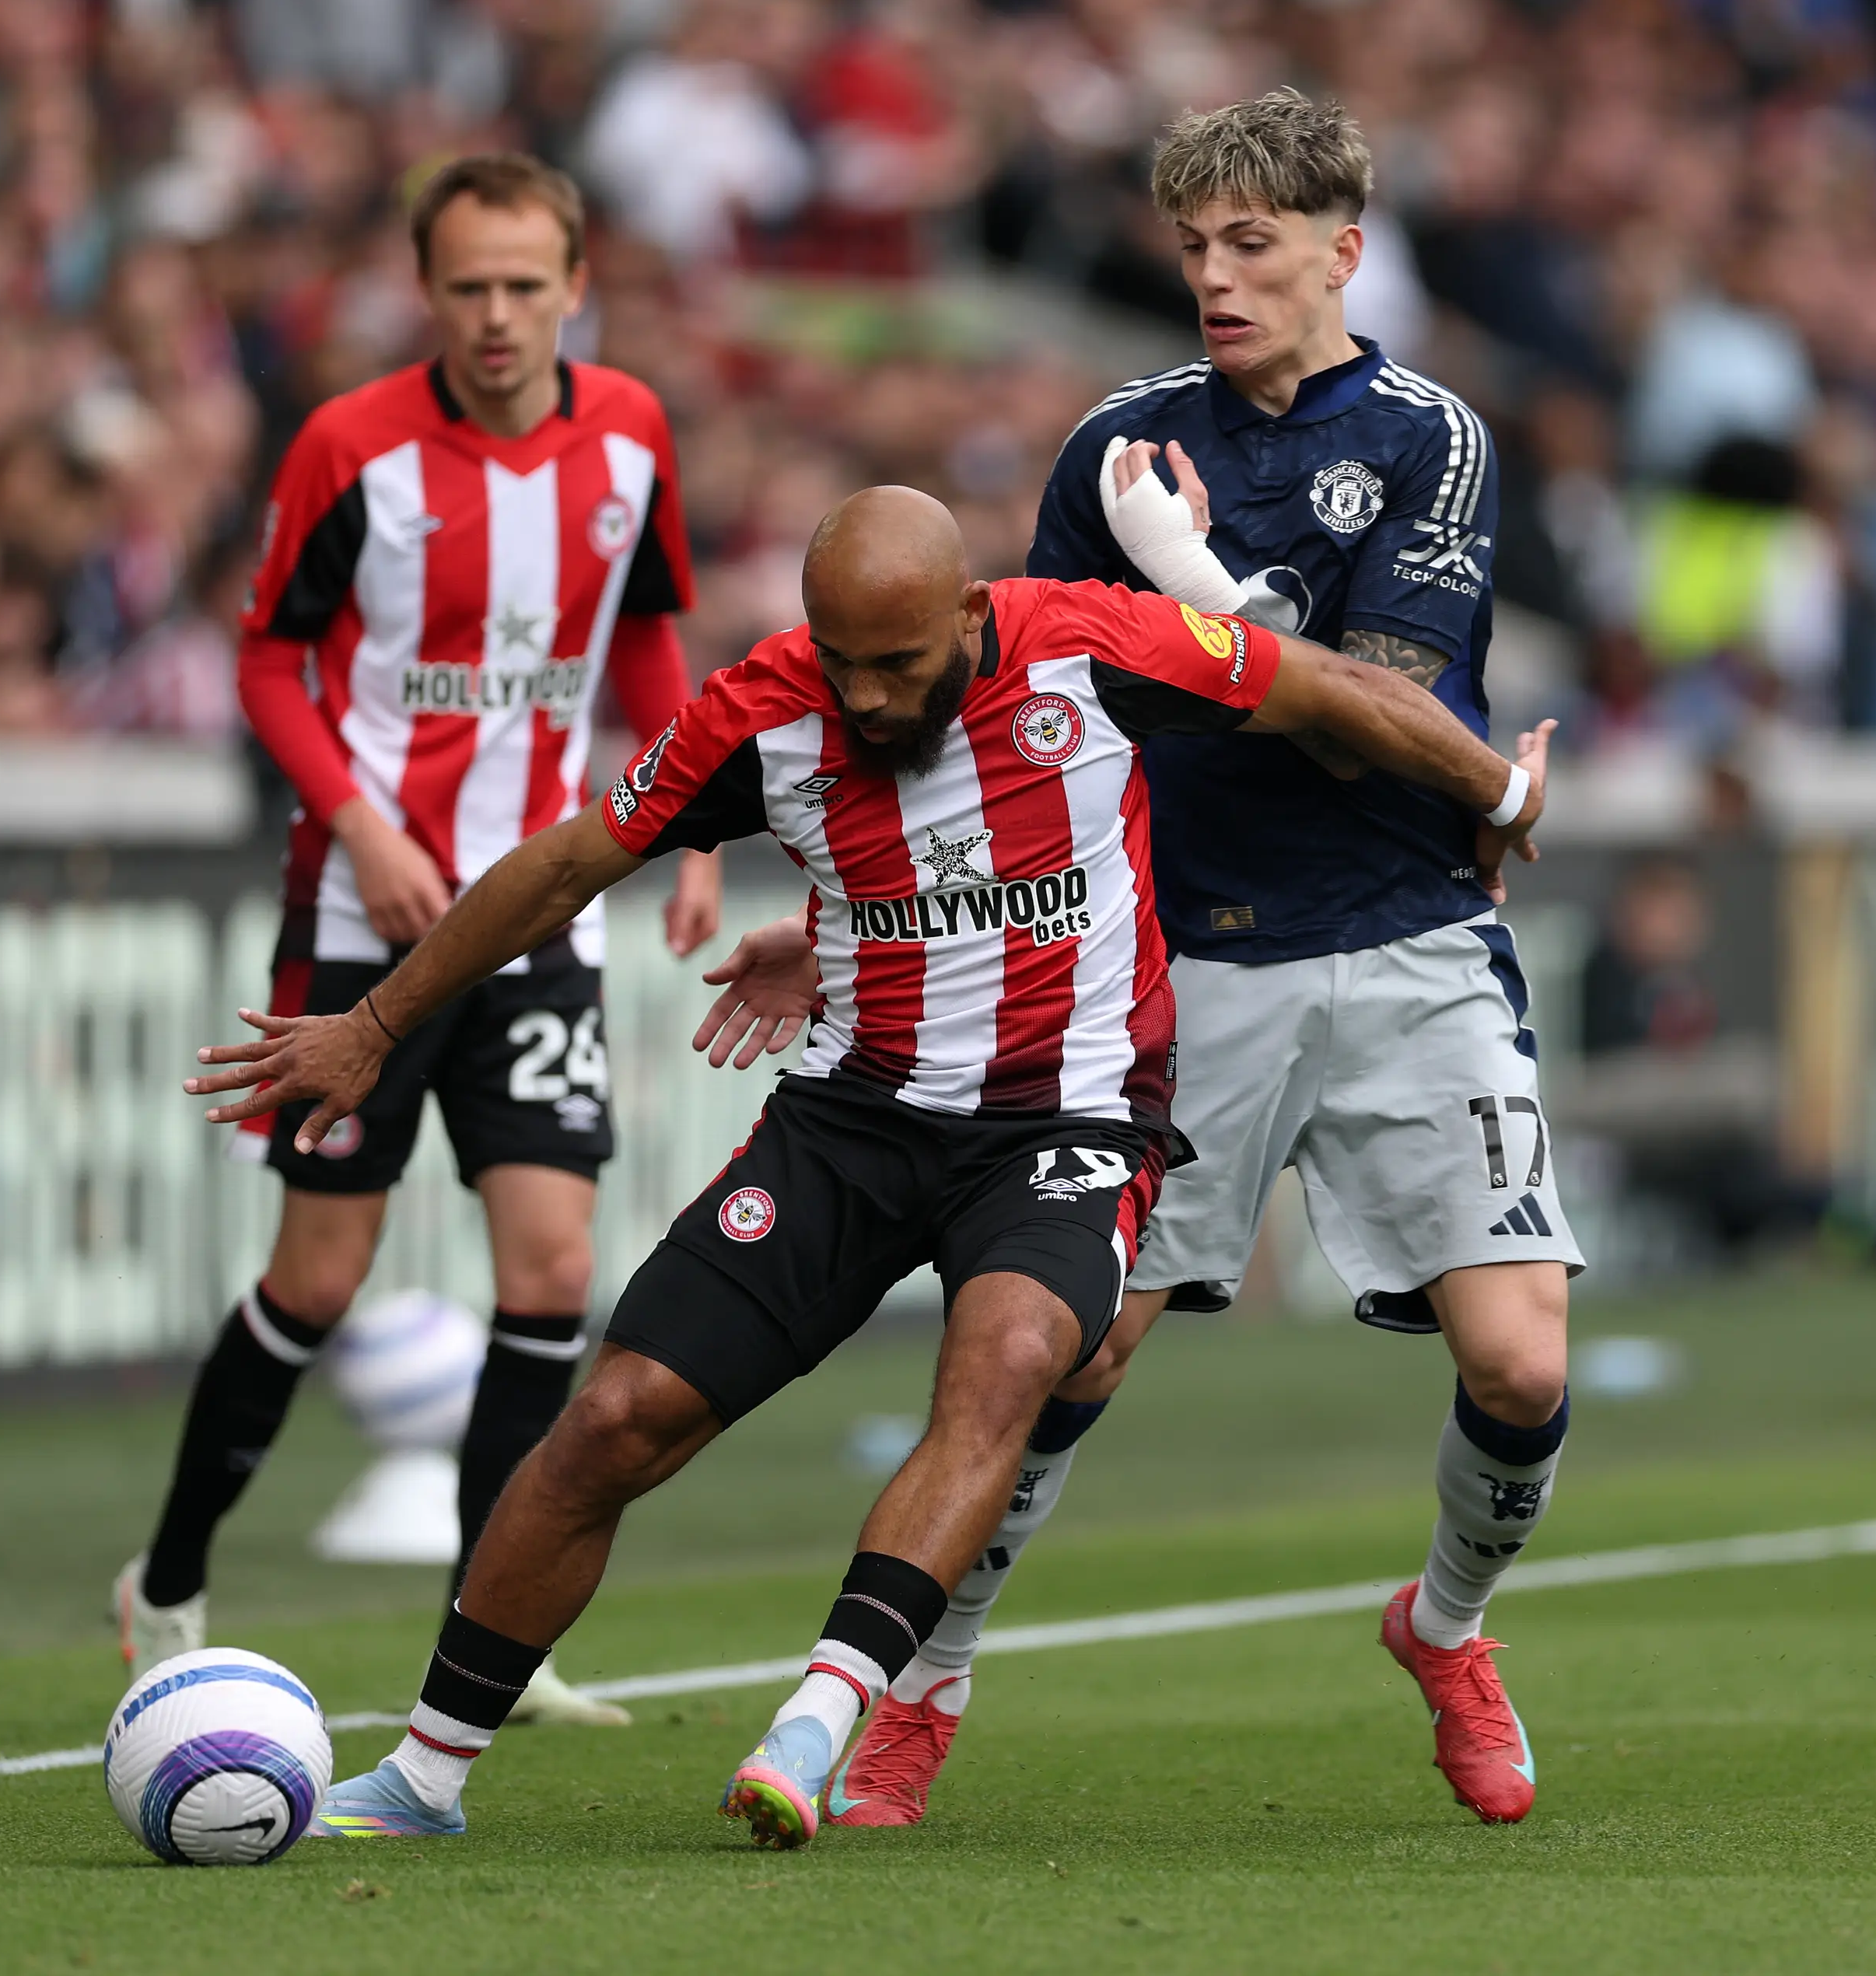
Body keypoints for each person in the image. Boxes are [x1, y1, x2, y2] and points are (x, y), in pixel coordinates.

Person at [186, 484, 1552, 1845]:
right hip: (854, 1116)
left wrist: (1497, 792)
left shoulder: (1093, 642)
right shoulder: (760, 711)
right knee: (614, 1419)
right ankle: (425, 1775)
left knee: (1013, 1358)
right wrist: (372, 1026)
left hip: (1066, 1121)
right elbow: (562, 866)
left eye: (899, 664)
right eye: (843, 663)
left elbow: (1321, 689)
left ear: (967, 615)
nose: (871, 698)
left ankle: (825, 1717)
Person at [702, 89, 1581, 1828]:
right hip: (1178, 962)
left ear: (1346, 248)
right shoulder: (1116, 446)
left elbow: (1365, 720)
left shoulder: (1431, 439)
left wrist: (1209, 595)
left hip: (1406, 937)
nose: (1216, 278)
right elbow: (1011, 712)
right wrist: (844, 911)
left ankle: (1448, 1628)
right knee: (1071, 1354)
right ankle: (922, 1691)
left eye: (1253, 244)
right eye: (1192, 247)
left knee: (1523, 1366)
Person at [114, 155, 722, 1728]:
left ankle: (488, 1634)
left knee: (556, 1265)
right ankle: (167, 1574)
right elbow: (266, 664)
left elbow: (645, 634)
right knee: (318, 1275)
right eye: (470, 287)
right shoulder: (351, 445)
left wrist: (695, 822)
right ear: (426, 289)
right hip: (360, 918)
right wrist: (364, 824)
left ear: (575, 285)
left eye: (527, 285)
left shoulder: (631, 434)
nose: (500, 315)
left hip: (538, 905)